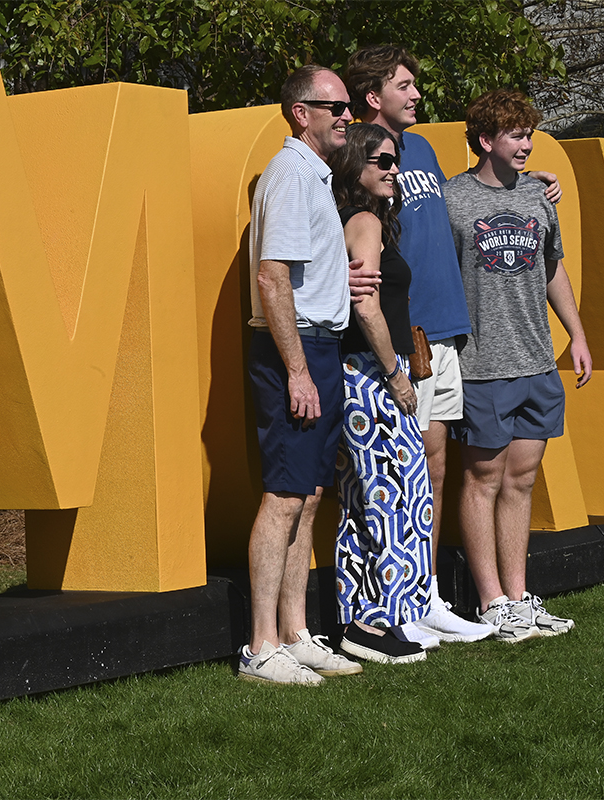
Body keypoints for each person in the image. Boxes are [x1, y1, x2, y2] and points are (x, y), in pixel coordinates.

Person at [344, 45, 562, 643]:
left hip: (447, 333)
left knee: (435, 469)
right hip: (403, 336)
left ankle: (430, 592)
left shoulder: (422, 149)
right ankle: (395, 603)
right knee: (403, 472)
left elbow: (464, 200)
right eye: (406, 85)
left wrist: (526, 180)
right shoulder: (359, 153)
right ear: (374, 96)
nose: (417, 95)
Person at [444, 88, 592, 641]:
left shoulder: (539, 196)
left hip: (535, 361)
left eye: (529, 134)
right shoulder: (451, 199)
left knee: (522, 481)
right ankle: (491, 602)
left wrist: (576, 334)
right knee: (483, 479)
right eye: (515, 135)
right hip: (481, 365)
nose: (527, 144)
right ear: (485, 141)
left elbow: (553, 269)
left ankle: (520, 596)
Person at [238, 65, 367, 684]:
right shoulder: (290, 174)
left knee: (309, 495)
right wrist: (298, 371)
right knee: (285, 495)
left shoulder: (312, 175)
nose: (347, 114)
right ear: (300, 112)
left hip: (318, 347)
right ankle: (261, 646)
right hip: (297, 351)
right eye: (334, 106)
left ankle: (295, 633)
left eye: (347, 106)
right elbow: (273, 278)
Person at [328, 123, 430, 665]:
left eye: (396, 161)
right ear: (355, 168)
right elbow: (366, 304)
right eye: (383, 161)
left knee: (361, 500)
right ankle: (378, 622)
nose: (394, 170)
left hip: (353, 374)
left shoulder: (355, 218)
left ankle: (360, 620)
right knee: (393, 500)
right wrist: (395, 373)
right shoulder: (364, 220)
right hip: (369, 376)